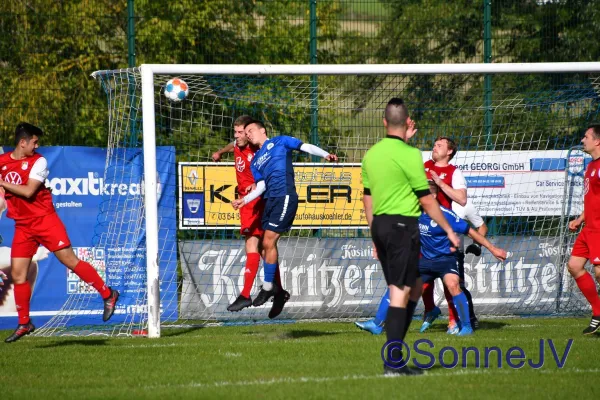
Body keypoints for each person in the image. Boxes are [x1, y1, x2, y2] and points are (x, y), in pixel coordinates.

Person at [361, 98, 460, 376]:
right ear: (406, 123)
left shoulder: (371, 155)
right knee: (400, 293)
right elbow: (426, 199)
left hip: (380, 226)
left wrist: (374, 235)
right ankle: (393, 362)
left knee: (414, 287)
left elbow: (367, 199)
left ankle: (395, 357)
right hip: (402, 227)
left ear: (384, 122)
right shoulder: (411, 154)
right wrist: (448, 229)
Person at [0, 123, 119, 343]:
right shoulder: (3, 162)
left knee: (70, 261)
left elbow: (28, 191)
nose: (37, 146)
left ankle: (108, 294)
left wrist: (2, 182)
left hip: (45, 221)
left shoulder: (39, 161)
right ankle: (24, 323)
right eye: (34, 142)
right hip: (23, 226)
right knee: (18, 275)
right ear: (22, 142)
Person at [231, 120, 337, 316]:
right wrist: (244, 200)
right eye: (246, 132)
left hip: (285, 196)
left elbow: (305, 146)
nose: (248, 134)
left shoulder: (280, 141)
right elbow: (261, 186)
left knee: (268, 241)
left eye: (250, 130)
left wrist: (325, 154)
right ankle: (274, 290)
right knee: (265, 245)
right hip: (270, 200)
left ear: (263, 130)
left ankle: (268, 287)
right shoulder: (256, 161)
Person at [355, 190, 490, 335]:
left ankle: (466, 326)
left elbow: (471, 231)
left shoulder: (446, 214)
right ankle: (377, 324)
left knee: (453, 285)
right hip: (424, 262)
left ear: (433, 196)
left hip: (446, 260)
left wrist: (493, 249)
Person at [212, 115, 280, 314]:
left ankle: (245, 294)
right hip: (245, 202)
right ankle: (278, 291)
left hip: (254, 201)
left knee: (252, 244)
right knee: (265, 250)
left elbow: (269, 170)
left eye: (241, 132)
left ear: (249, 134)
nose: (237, 136)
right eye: (235, 132)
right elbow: (232, 145)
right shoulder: (238, 144)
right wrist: (220, 152)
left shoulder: (257, 150)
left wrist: (256, 184)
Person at [421, 136, 468, 334]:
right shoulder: (424, 166)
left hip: (443, 232)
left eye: (439, 145)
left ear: (449, 151)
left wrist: (440, 183)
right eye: (434, 144)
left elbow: (462, 199)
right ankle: (430, 309)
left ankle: (453, 321)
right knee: (421, 280)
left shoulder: (454, 172)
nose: (435, 147)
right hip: (423, 230)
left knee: (449, 281)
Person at [567, 122, 600, 335]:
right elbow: (593, 200)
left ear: (597, 141)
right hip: (589, 228)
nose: (582, 140)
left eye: (586, 137)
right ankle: (598, 311)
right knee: (574, 266)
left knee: (599, 273)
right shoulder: (590, 167)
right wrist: (580, 219)